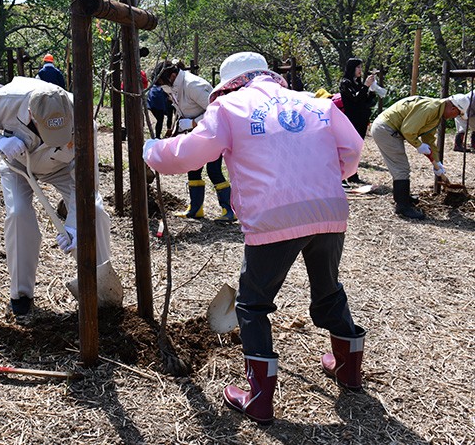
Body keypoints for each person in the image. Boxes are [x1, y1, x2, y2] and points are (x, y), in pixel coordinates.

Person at [143, 51, 366, 424]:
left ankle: (260, 398)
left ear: (230, 83)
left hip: (274, 214)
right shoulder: (313, 102)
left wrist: (152, 151)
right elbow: (353, 151)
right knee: (328, 290)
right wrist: (324, 179)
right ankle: (348, 369)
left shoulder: (230, 108)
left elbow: (188, 154)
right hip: (329, 209)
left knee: (253, 304)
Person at [0, 77, 111, 319]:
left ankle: (100, 284)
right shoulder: (7, 100)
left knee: (94, 212)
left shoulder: (83, 118)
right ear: (31, 114)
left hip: (64, 167)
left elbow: (87, 180)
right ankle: (20, 295)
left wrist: (74, 225)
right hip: (18, 163)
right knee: (18, 214)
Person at [151, 60, 235, 222]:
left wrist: (193, 123)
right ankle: (196, 209)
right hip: (196, 133)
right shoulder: (175, 86)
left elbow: (218, 110)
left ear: (173, 75)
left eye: (162, 83)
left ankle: (229, 210)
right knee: (193, 168)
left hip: (213, 131)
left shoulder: (193, 85)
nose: (162, 87)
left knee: (214, 170)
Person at [370, 94, 468, 220]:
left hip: (391, 129)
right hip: (385, 129)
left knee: (401, 168)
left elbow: (429, 139)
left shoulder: (436, 112)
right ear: (454, 109)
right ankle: (402, 206)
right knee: (401, 168)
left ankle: (404, 197)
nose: (455, 117)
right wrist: (419, 145)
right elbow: (408, 130)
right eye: (458, 114)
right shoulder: (431, 108)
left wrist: (437, 164)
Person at [339, 58, 376, 186]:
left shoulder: (358, 83)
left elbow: (367, 101)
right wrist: (365, 86)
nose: (360, 70)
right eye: (358, 67)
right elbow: (355, 99)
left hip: (362, 119)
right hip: (351, 119)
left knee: (357, 148)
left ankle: (352, 174)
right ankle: (342, 175)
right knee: (347, 148)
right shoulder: (345, 83)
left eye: (361, 67)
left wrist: (371, 90)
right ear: (352, 68)